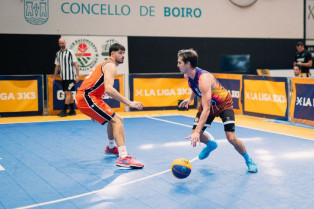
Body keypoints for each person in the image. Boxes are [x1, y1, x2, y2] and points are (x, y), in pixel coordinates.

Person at [177, 49, 258, 173]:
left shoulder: (204, 78)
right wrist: (190, 98)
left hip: (223, 104)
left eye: (179, 63)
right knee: (195, 133)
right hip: (208, 105)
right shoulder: (187, 75)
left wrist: (197, 132)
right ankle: (211, 144)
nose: (177, 65)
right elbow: (194, 87)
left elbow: (207, 108)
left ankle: (249, 160)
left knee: (231, 138)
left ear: (187, 64)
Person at [75, 43, 144, 168]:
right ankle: (123, 157)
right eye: (120, 53)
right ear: (112, 54)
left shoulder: (104, 64)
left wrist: (92, 109)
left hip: (88, 97)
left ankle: (111, 147)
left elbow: (94, 85)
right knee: (117, 119)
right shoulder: (111, 66)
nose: (123, 55)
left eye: (124, 53)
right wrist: (129, 103)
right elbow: (108, 89)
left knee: (113, 119)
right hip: (87, 97)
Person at [52, 37, 80, 117]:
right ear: (58, 44)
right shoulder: (58, 54)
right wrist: (54, 77)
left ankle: (64, 111)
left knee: (68, 92)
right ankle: (72, 110)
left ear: (65, 42)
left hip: (70, 77)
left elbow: (76, 64)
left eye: (62, 43)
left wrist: (77, 75)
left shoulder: (70, 52)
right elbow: (57, 66)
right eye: (60, 43)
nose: (61, 44)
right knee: (69, 93)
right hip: (63, 77)